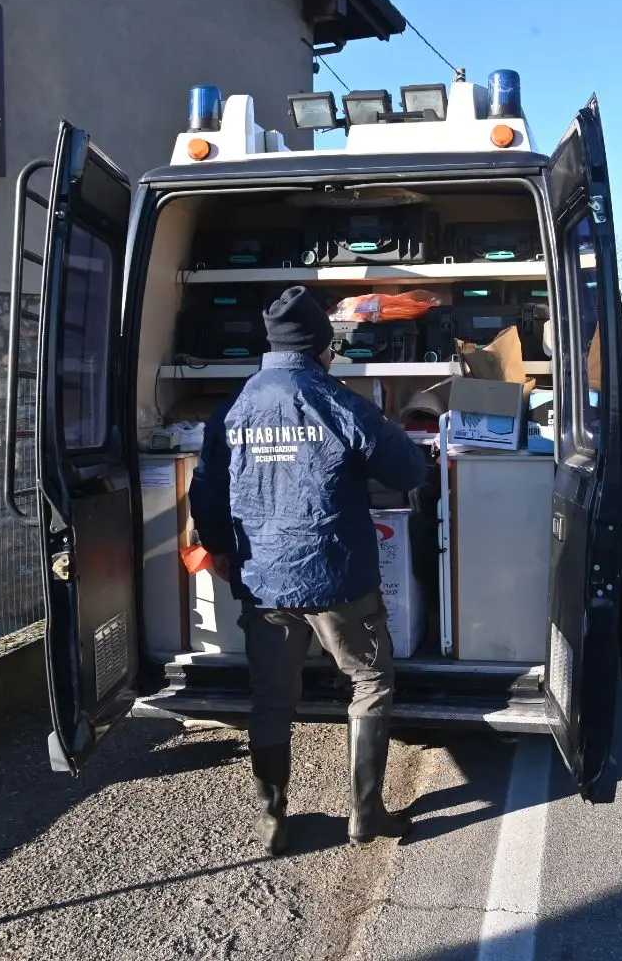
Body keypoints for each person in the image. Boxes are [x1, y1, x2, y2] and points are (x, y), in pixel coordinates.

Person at [190, 286, 429, 856]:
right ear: (322, 349)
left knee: (272, 698)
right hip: (337, 576)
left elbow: (205, 489)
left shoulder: (234, 407)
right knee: (369, 683)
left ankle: (271, 822)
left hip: (263, 577)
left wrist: (222, 548)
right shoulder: (337, 400)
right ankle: (366, 814)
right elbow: (409, 468)